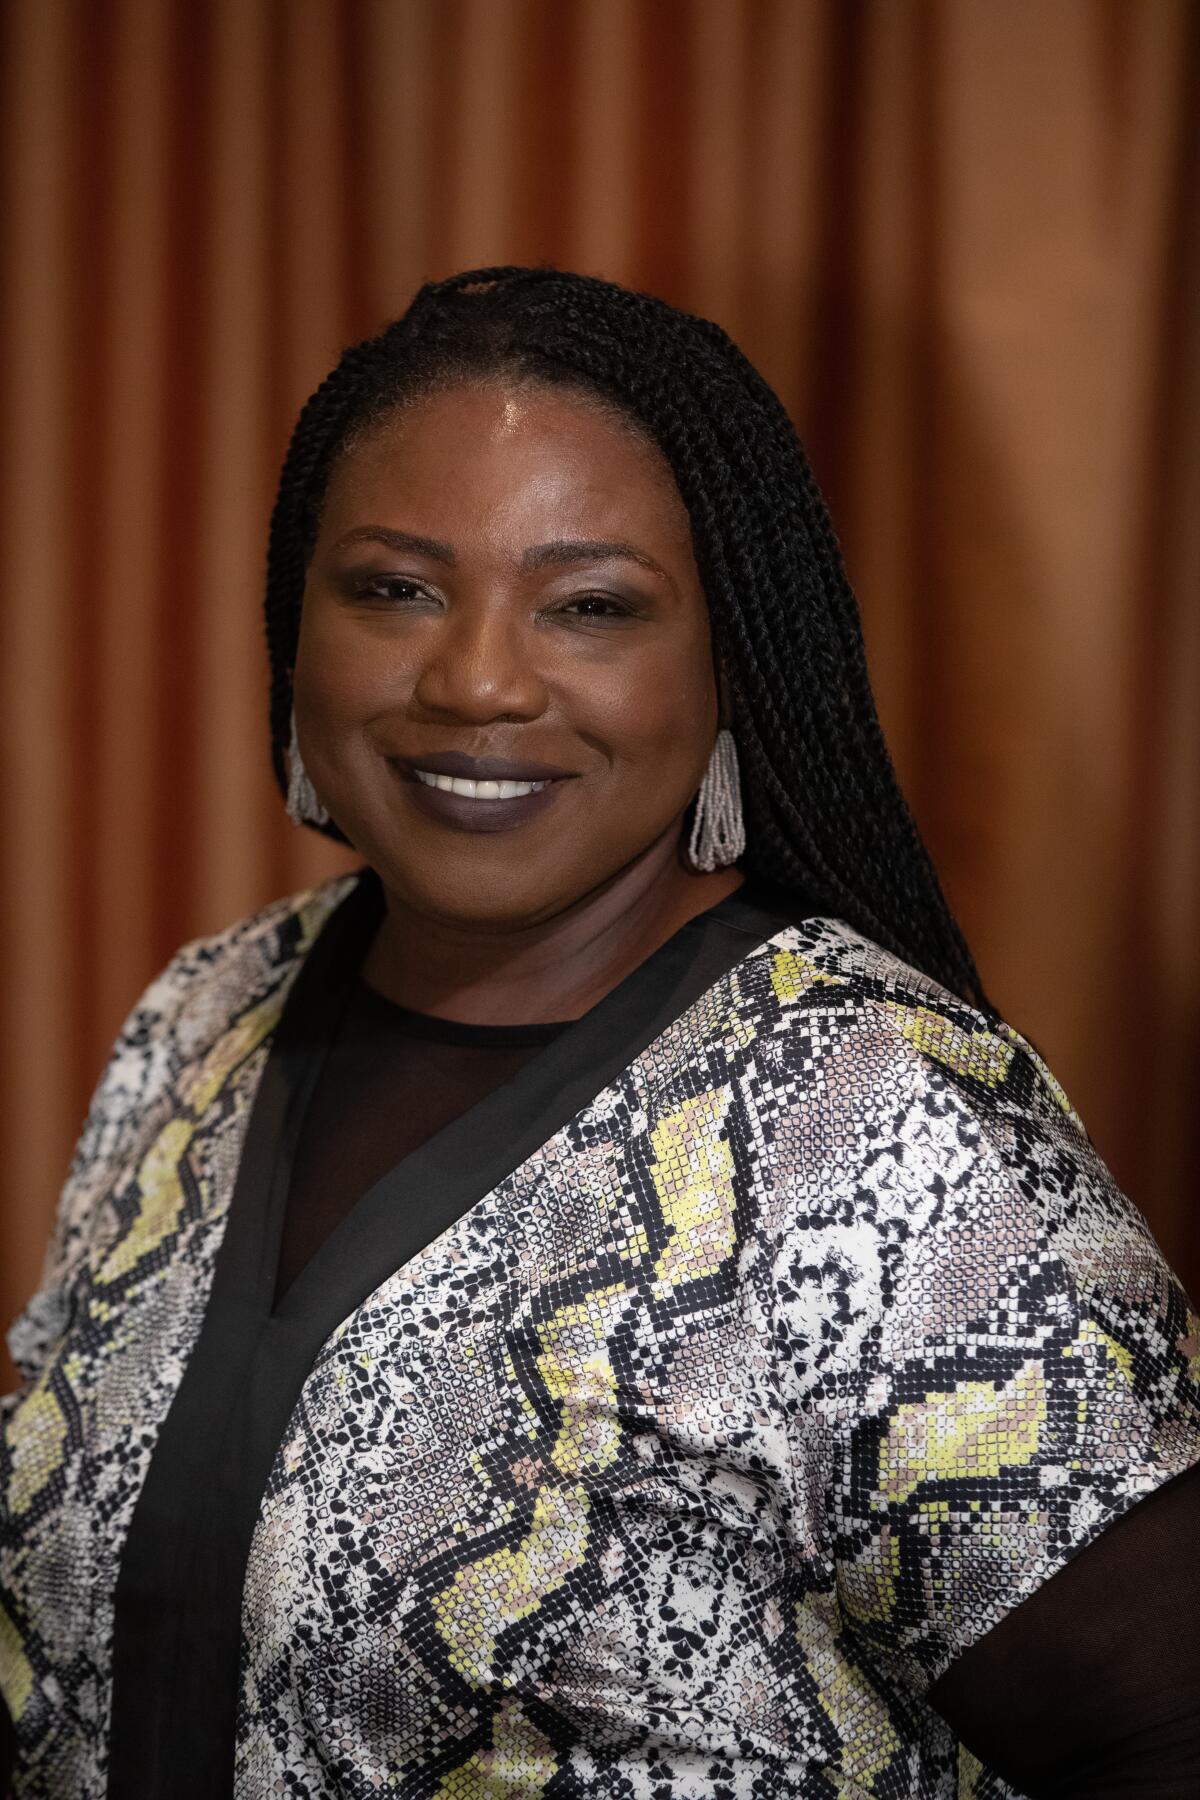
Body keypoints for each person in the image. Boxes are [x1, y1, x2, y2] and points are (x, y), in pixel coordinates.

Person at [0, 266, 1197, 1800]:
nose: (477, 678)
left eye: (591, 606)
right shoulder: (202, 1016)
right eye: (395, 589)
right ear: (291, 628)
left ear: (727, 669)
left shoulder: (877, 1125)